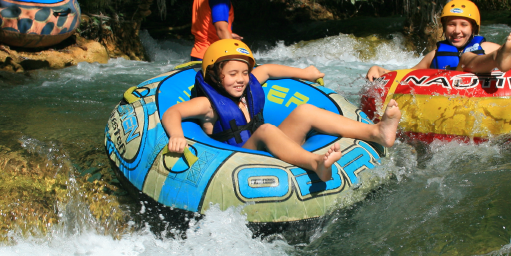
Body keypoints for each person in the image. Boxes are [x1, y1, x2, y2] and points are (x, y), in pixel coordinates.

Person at [164, 40, 402, 182]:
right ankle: (315, 162)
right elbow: (171, 113)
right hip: (237, 159)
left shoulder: (247, 87)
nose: (241, 80)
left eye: (244, 73)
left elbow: (267, 70)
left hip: (270, 146)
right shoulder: (208, 105)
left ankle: (376, 132)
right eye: (232, 74)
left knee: (306, 110)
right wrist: (176, 135)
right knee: (267, 129)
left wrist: (305, 73)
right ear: (216, 76)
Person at [366, 0, 511, 81]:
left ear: (474, 29)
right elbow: (406, 75)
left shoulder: (484, 45)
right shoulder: (435, 55)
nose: (457, 31)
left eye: (463, 25)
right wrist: (380, 70)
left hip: (491, 57)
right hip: (469, 69)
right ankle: (500, 56)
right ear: (444, 28)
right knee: (467, 60)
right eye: (451, 25)